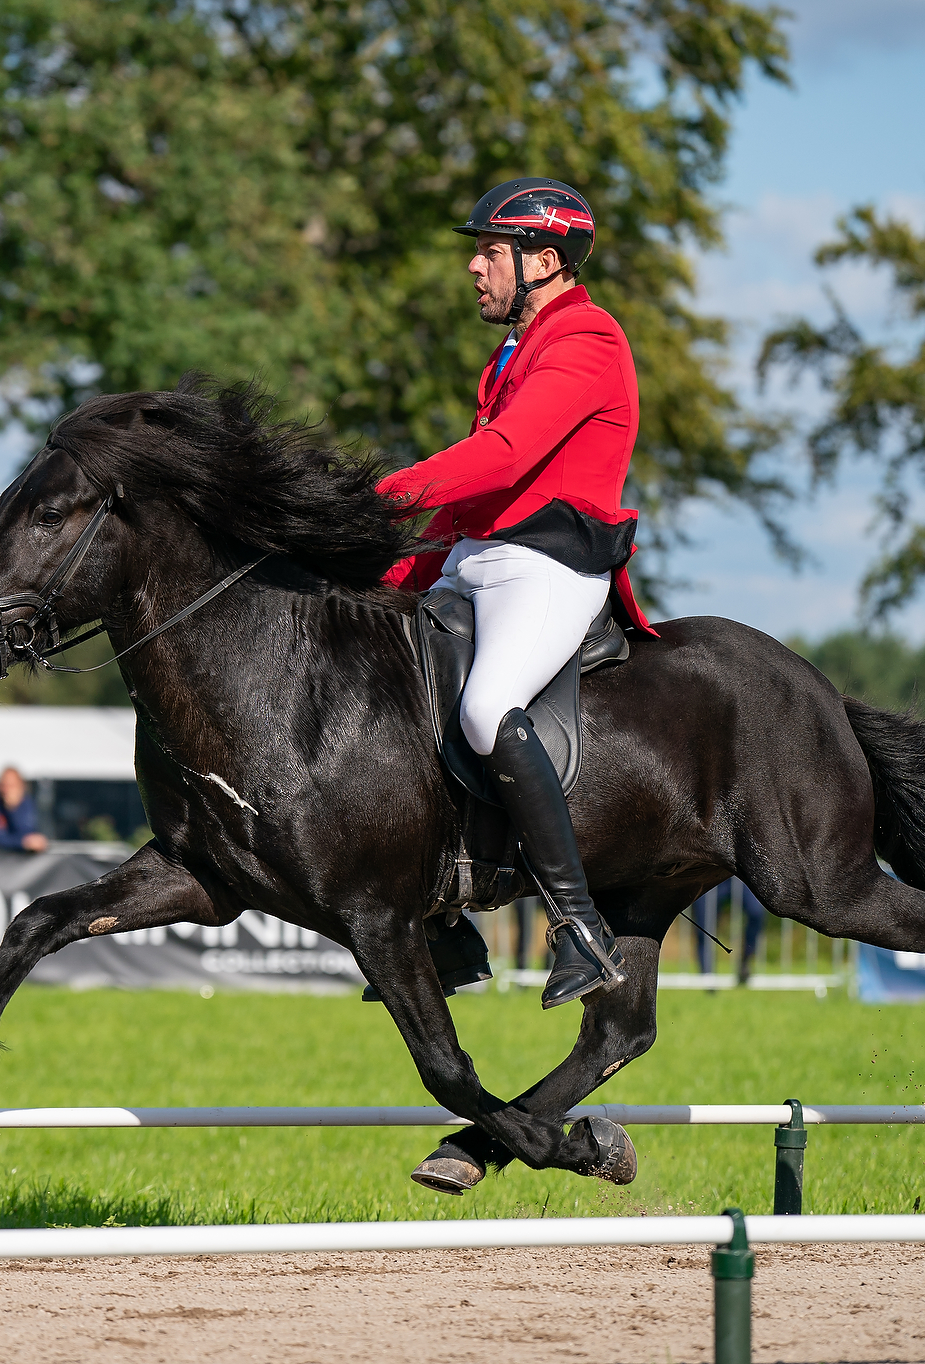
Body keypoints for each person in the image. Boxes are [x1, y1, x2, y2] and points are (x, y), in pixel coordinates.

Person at [377, 177, 660, 1010]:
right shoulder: (509, 351)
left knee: (486, 704)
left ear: (545, 260)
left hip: (548, 566)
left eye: (489, 252)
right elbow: (468, 502)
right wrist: (386, 574)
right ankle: (443, 923)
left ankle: (580, 927)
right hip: (477, 558)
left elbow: (502, 458)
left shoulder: (589, 340)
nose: (473, 267)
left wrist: (380, 493)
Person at [0, 766, 49, 852]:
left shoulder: (27, 802)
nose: (7, 790)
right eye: (4, 785)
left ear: (21, 788)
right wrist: (20, 843)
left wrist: (13, 810)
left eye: (12, 786)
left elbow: (28, 833)